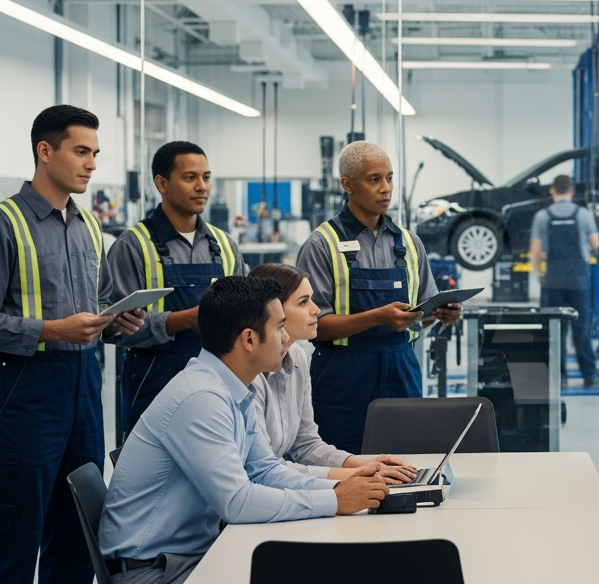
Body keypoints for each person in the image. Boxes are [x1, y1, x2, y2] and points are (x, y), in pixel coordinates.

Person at [99, 277, 391, 584]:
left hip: (190, 556)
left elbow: (265, 471)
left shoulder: (232, 389)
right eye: (279, 327)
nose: (286, 336)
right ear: (249, 339)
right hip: (154, 571)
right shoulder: (201, 399)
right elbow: (237, 502)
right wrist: (335, 500)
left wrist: (347, 488)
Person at [0, 105, 144, 584]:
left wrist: (113, 320)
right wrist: (52, 330)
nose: (92, 164)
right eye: (81, 151)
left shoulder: (89, 228)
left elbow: (91, 308)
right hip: (26, 396)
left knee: (81, 533)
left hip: (84, 392)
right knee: (16, 535)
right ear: (45, 151)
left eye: (96, 153)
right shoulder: (6, 224)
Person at [296, 141, 461, 452]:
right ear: (348, 185)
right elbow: (314, 326)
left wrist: (438, 314)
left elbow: (416, 318)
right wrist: (378, 317)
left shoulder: (410, 244)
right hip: (343, 377)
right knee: (342, 466)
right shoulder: (321, 245)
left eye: (389, 177)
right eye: (374, 179)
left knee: (408, 464)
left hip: (402, 370)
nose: (386, 188)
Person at [103, 141, 246, 438]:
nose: (202, 186)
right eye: (190, 177)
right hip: (155, 377)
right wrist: (186, 319)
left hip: (219, 377)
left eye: (206, 177)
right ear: (162, 183)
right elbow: (114, 327)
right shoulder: (133, 245)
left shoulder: (224, 245)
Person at [247, 262, 417, 482]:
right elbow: (264, 470)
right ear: (273, 310)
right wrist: (357, 474)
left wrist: (367, 464)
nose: (316, 309)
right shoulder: (249, 374)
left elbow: (306, 445)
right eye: (303, 302)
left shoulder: (297, 356)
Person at [529, 174, 599, 387]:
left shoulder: (542, 216)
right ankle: (590, 375)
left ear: (552, 190)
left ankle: (559, 378)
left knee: (554, 331)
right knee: (582, 329)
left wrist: (539, 273)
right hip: (578, 280)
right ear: (571, 191)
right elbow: (595, 244)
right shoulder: (583, 214)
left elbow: (535, 251)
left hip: (552, 281)